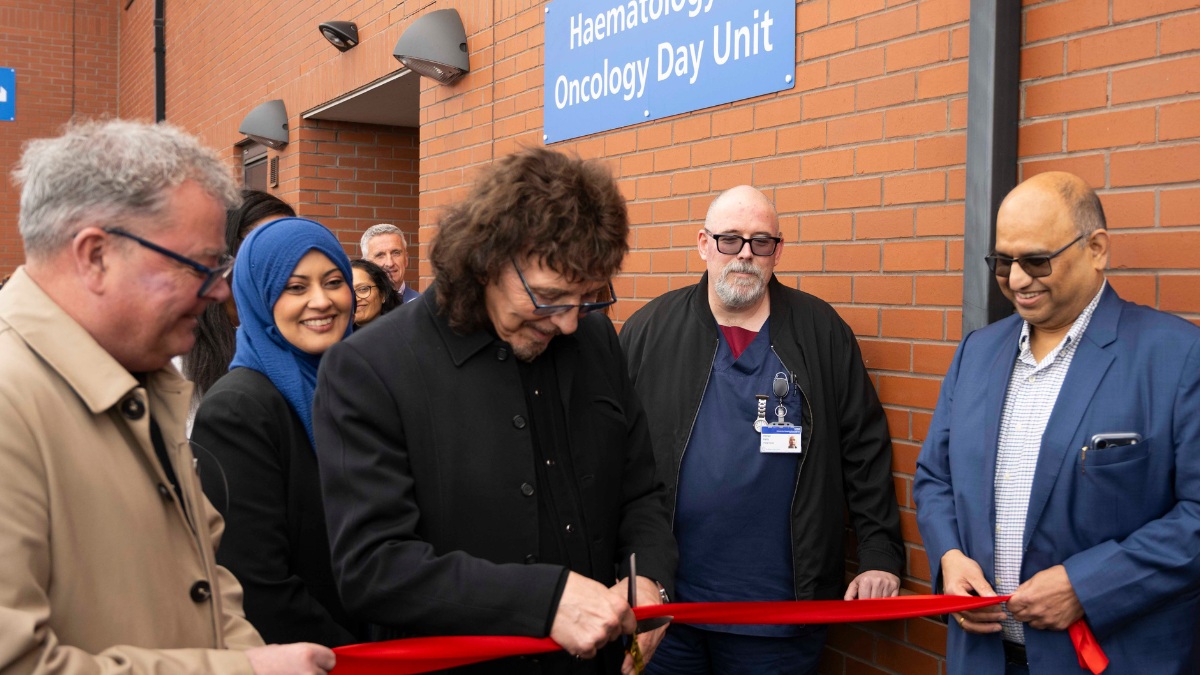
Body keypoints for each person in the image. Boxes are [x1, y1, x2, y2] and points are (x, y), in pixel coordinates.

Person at [314, 147, 677, 675]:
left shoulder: (595, 339)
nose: (569, 323)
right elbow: (373, 566)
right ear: (485, 260)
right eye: (550, 297)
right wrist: (543, 600)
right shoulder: (370, 367)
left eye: (587, 298)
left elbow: (640, 490)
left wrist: (650, 580)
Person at [0, 119, 333, 674]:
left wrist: (249, 656)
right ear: (96, 255)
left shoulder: (142, 380)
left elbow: (206, 581)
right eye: (200, 265)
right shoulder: (13, 401)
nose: (221, 290)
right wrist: (243, 671)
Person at [913, 172, 1200, 674]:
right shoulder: (977, 352)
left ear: (1096, 249)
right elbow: (935, 477)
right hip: (981, 658)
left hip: (1107, 658)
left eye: (1036, 261)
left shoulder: (1177, 356)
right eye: (1003, 263)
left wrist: (1088, 586)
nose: (1017, 280)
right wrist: (950, 558)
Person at [621, 185, 904, 675]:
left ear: (778, 250)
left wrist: (879, 551)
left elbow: (864, 447)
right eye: (730, 239)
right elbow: (611, 458)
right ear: (704, 244)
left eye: (761, 241)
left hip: (781, 616)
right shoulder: (649, 331)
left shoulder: (820, 331)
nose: (745, 254)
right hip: (669, 608)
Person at [191, 217, 364, 647]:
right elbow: (255, 585)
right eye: (295, 287)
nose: (321, 301)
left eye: (334, 282)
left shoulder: (363, 388)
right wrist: (362, 659)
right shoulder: (237, 410)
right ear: (259, 296)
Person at [180, 189, 295, 429]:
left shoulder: (297, 331)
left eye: (288, 244)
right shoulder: (179, 344)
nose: (278, 259)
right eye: (262, 243)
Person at [360, 223, 419, 303]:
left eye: (396, 253)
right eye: (380, 255)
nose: (390, 263)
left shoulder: (425, 306)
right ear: (366, 264)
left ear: (406, 259)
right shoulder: (355, 306)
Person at [350, 258, 400, 327]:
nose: (356, 299)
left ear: (383, 294)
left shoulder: (401, 329)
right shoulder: (338, 332)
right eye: (349, 292)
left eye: (363, 289)